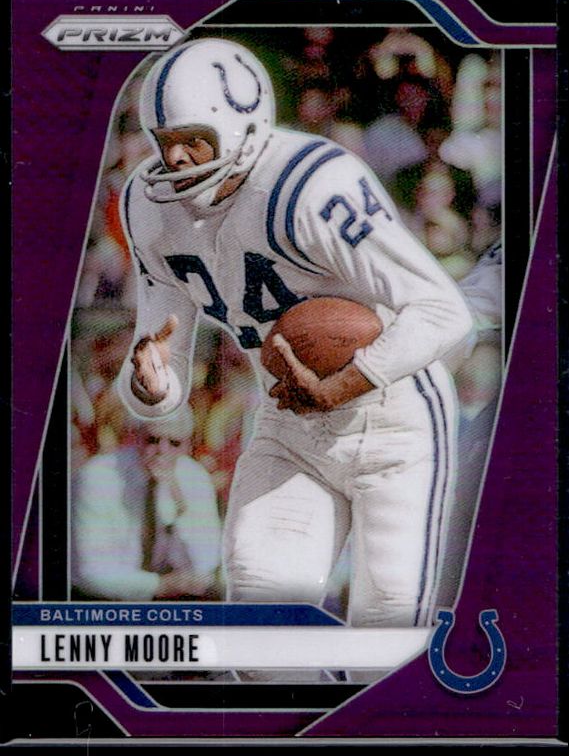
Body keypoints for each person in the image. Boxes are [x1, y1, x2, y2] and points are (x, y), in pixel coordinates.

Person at [117, 38, 473, 633]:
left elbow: (443, 311)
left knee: (388, 638)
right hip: (289, 426)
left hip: (395, 422)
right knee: (261, 634)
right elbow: (164, 363)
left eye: (194, 139)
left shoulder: (310, 185)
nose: (175, 158)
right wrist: (151, 384)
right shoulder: (150, 206)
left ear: (244, 126)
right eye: (165, 141)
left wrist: (345, 382)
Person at [72, 405, 222, 601]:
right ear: (135, 437)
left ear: (188, 445)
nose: (162, 450)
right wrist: (160, 585)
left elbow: (205, 565)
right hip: (101, 598)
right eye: (152, 440)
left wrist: (180, 503)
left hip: (169, 595)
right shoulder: (98, 476)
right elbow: (91, 573)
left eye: (174, 443)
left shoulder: (195, 477)